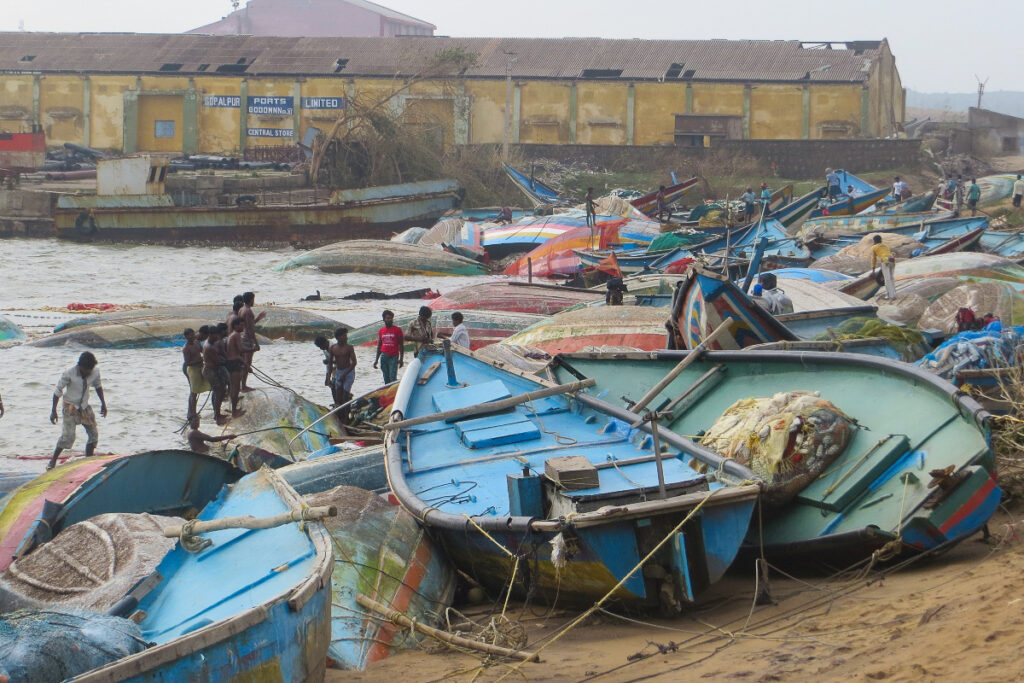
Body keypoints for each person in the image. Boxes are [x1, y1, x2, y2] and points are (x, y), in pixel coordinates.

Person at [48, 352, 106, 470]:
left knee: (93, 435)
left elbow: (98, 386)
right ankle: (52, 461)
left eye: (90, 370)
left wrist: (103, 404)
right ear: (80, 366)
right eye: (86, 370)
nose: (88, 373)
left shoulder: (95, 372)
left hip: (84, 407)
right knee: (68, 438)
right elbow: (58, 391)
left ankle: (88, 461)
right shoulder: (69, 373)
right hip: (70, 407)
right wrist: (54, 411)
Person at [239, 291, 266, 392]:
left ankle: (241, 385)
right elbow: (250, 329)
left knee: (243, 363)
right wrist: (256, 344)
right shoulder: (248, 312)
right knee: (247, 363)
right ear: (251, 300)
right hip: (247, 339)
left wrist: (258, 318)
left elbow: (247, 325)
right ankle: (244, 386)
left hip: (242, 338)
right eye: (253, 299)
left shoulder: (241, 309)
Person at [202, 326, 228, 425]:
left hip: (214, 369)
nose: (218, 337)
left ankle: (217, 414)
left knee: (220, 392)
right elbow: (218, 360)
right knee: (218, 393)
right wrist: (225, 359)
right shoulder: (209, 347)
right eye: (216, 335)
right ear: (211, 335)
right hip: (210, 371)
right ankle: (217, 416)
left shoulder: (212, 343)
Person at [182, 328, 209, 419]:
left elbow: (203, 351)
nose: (192, 336)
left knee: (197, 391)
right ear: (186, 337)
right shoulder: (186, 348)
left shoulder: (197, 342)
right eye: (190, 335)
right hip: (192, 369)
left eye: (193, 334)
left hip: (199, 368)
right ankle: (191, 413)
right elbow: (188, 363)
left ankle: (194, 412)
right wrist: (199, 360)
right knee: (193, 392)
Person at [327, 327, 356, 408]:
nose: (346, 338)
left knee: (345, 395)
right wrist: (328, 378)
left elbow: (354, 362)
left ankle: (347, 414)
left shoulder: (349, 347)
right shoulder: (333, 348)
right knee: (338, 396)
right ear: (338, 337)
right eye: (344, 336)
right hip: (339, 372)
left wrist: (345, 374)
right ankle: (341, 413)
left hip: (349, 372)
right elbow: (330, 364)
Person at [374, 310, 404, 383]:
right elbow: (379, 346)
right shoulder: (381, 330)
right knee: (386, 378)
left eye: (391, 318)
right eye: (388, 318)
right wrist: (376, 360)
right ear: (384, 319)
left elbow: (401, 345)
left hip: (393, 357)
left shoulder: (398, 330)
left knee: (392, 378)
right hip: (384, 356)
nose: (390, 320)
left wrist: (401, 359)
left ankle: (394, 393)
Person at [225, 317, 247, 418]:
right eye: (241, 325)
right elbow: (241, 349)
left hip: (230, 363)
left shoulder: (231, 335)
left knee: (233, 388)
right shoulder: (236, 335)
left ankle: (233, 409)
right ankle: (234, 412)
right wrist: (252, 348)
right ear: (235, 326)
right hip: (234, 363)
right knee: (235, 388)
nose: (243, 327)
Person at [870, 234, 896, 299]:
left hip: (885, 261)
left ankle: (890, 295)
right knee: (891, 278)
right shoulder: (885, 246)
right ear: (881, 240)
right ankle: (894, 294)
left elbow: (874, 259)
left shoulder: (874, 247)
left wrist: (873, 270)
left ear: (874, 241)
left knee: (887, 279)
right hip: (892, 260)